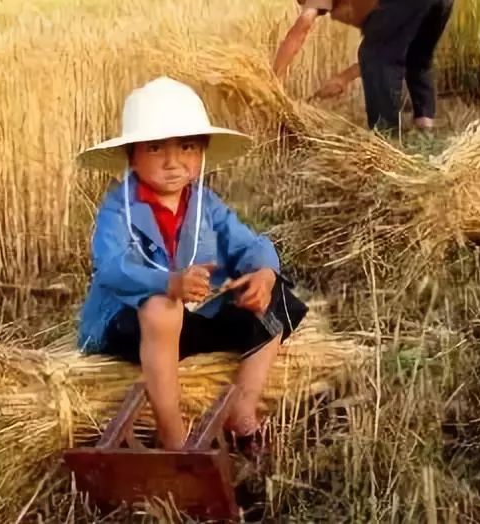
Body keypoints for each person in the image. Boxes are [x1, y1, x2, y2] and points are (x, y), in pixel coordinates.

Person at [75, 77, 308, 451]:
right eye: (155, 149)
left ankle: (243, 409)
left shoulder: (205, 204)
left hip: (193, 319)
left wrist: (262, 273)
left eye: (186, 147)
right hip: (130, 326)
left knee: (276, 295)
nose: (173, 162)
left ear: (201, 156)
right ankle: (173, 436)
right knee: (161, 309)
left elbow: (249, 244)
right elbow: (112, 267)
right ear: (132, 156)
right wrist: (169, 283)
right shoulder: (119, 208)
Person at [272, 0, 454, 134]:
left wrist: (274, 78)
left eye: (304, 1)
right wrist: (344, 78)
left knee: (377, 56)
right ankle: (425, 130)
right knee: (416, 56)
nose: (316, 10)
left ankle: (385, 136)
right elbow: (384, 50)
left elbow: (300, 29)